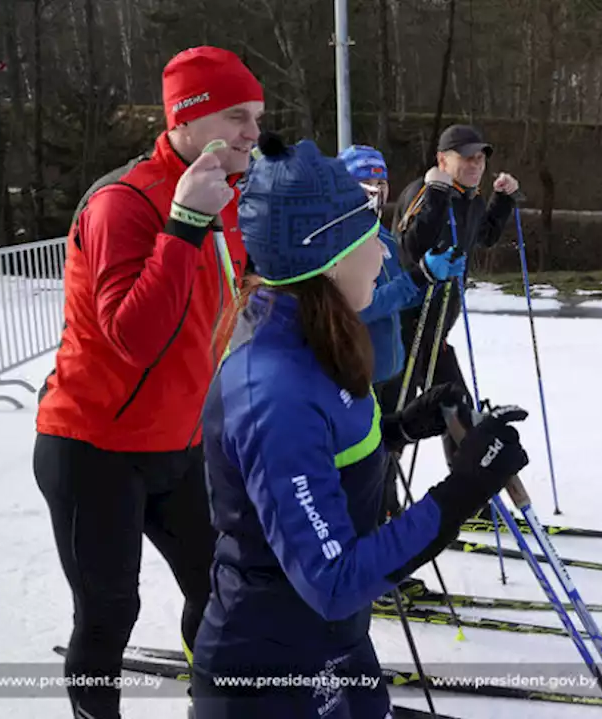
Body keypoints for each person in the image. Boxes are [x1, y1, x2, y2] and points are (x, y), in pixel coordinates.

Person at [191, 133, 530, 718]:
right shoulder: (274, 389)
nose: (382, 253)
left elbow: (331, 460)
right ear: (322, 256)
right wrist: (465, 488)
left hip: (335, 647)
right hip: (271, 672)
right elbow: (335, 577)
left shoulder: (318, 338)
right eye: (365, 240)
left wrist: (404, 426)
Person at [32, 46, 262, 718]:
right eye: (237, 116)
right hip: (94, 445)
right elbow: (134, 338)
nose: (253, 131)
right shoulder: (123, 202)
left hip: (178, 442)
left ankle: (213, 700)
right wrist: (185, 222)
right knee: (109, 611)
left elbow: (231, 300)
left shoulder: (228, 194)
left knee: (220, 587)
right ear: (188, 120)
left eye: (257, 116)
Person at [338, 144, 467, 519]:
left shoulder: (383, 237)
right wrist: (419, 277)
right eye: (364, 185)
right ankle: (378, 528)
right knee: (368, 462)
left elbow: (402, 299)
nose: (375, 193)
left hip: (392, 368)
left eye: (381, 184)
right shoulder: (341, 242)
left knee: (388, 454)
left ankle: (387, 519)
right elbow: (364, 306)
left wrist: (436, 280)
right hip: (361, 372)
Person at [391, 125, 520, 439]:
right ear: (442, 160)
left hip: (437, 334)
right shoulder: (423, 192)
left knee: (459, 411)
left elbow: (485, 235)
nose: (475, 164)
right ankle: (381, 484)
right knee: (397, 423)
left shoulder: (470, 199)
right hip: (404, 333)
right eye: (465, 157)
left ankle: (469, 482)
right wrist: (436, 193)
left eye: (479, 158)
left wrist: (502, 200)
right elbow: (411, 247)